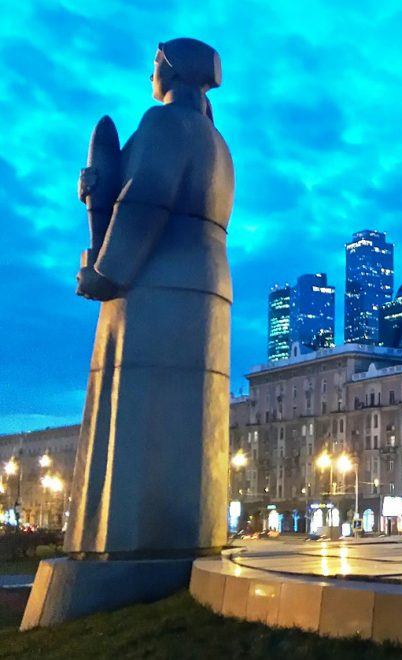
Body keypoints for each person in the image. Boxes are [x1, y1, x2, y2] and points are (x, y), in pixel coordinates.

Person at [66, 39, 235, 557]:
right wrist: (103, 183)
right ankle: (192, 535)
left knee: (137, 413)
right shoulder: (219, 143)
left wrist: (105, 270)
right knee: (189, 420)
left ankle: (120, 552)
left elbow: (145, 200)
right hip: (208, 281)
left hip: (156, 276)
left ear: (169, 70)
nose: (149, 79)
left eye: (152, 68)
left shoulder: (163, 124)